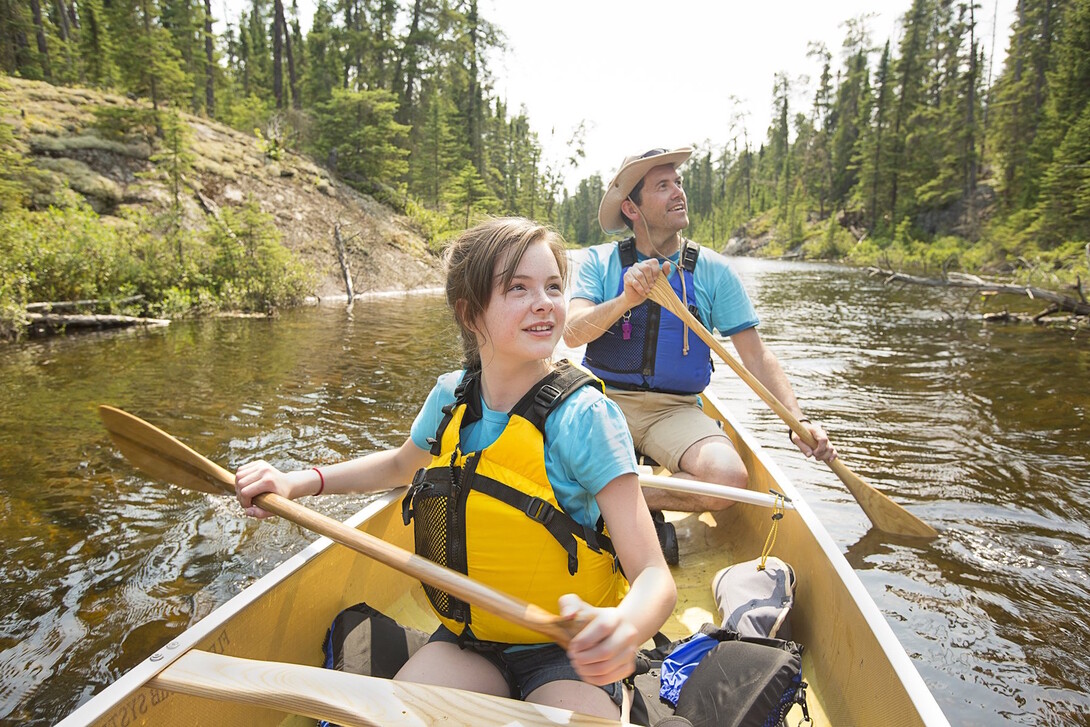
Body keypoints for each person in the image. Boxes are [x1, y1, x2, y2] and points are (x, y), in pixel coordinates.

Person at [235, 217, 676, 720]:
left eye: (553, 286)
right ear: (471, 313)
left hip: (566, 653)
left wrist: (625, 629)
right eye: (518, 288)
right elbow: (401, 465)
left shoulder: (585, 418)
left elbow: (653, 578)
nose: (545, 303)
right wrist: (299, 482)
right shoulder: (452, 397)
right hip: (473, 641)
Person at [564, 147, 837, 515]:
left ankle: (612, 498)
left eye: (678, 183)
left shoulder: (714, 271)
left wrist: (798, 419)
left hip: (675, 411)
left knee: (728, 481)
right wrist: (626, 300)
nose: (679, 192)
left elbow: (756, 355)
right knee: (550, 457)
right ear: (632, 208)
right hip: (606, 401)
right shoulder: (599, 262)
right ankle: (616, 494)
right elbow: (572, 333)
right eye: (663, 186)